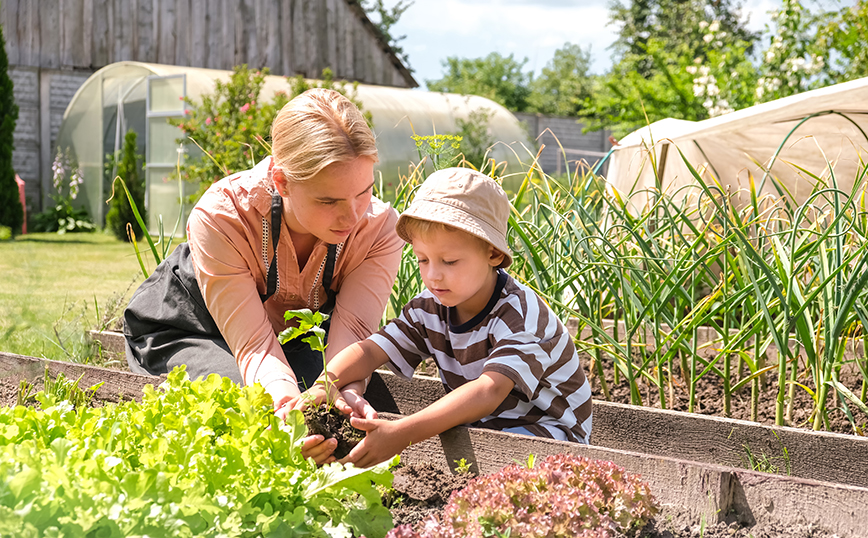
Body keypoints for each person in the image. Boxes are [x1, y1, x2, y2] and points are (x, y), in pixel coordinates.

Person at [123, 89, 403, 462]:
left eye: (363, 192)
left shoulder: (379, 230)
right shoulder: (222, 216)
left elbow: (351, 330)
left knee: (338, 406)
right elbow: (254, 345)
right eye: (329, 201)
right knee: (249, 403)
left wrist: (341, 389)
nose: (352, 217)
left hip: (285, 340)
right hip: (188, 329)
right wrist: (288, 405)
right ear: (282, 182)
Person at [301, 167, 593, 468]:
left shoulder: (519, 316)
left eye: (450, 261)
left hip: (551, 439)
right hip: (485, 429)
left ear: (493, 254)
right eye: (422, 259)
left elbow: (488, 391)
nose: (433, 275)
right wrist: (324, 383)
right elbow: (372, 349)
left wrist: (403, 433)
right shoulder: (430, 308)